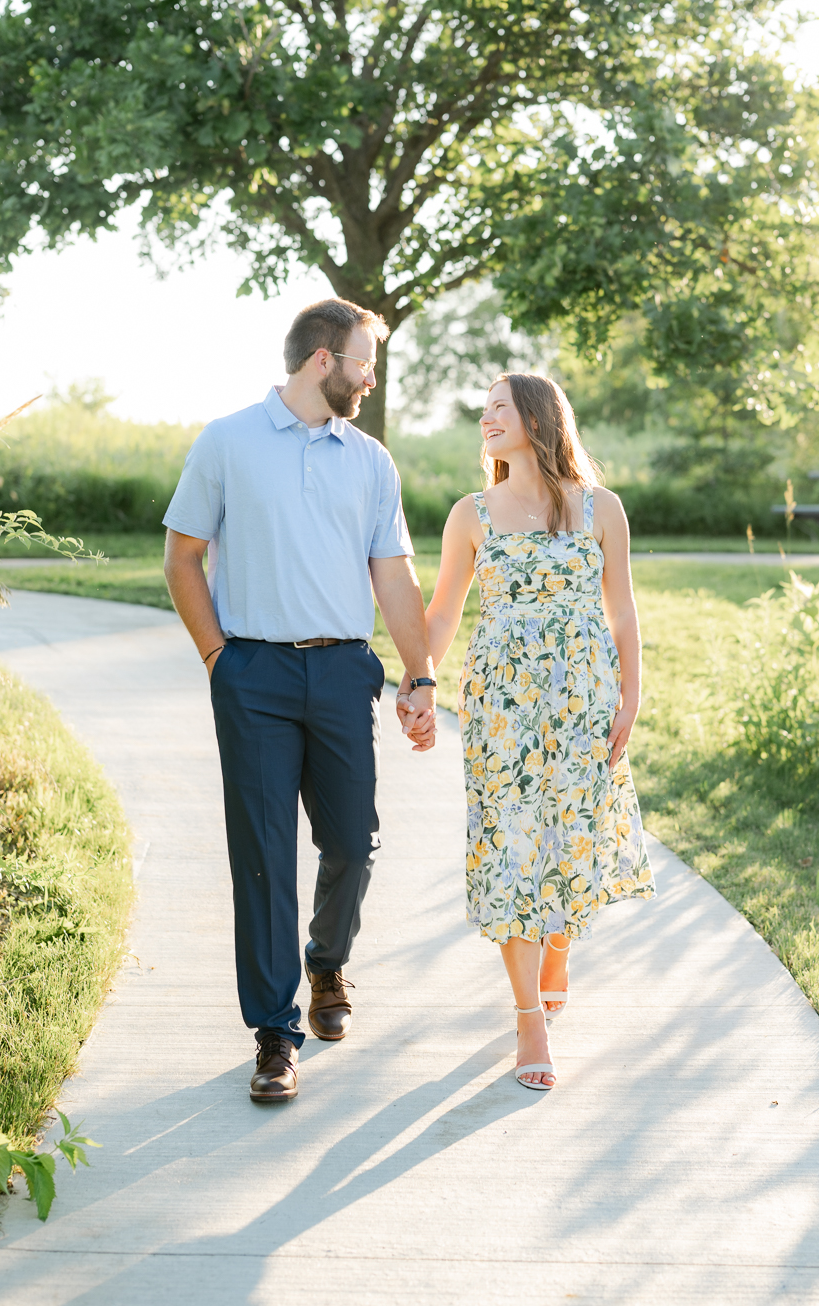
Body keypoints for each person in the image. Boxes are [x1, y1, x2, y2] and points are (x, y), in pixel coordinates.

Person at [164, 298, 437, 1106]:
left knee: (353, 843)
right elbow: (181, 560)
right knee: (263, 854)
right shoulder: (227, 442)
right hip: (254, 675)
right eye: (364, 360)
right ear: (325, 360)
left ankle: (326, 964)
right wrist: (219, 657)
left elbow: (393, 574)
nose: (370, 375)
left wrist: (418, 676)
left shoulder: (370, 460)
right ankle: (275, 1033)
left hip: (344, 673)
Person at [404, 373, 654, 1091]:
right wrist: (418, 678)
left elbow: (624, 612)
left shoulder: (599, 508)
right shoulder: (470, 513)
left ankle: (556, 943)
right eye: (481, 408)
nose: (484, 418)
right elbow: (445, 610)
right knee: (510, 846)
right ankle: (527, 1018)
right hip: (501, 709)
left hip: (581, 702)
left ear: (539, 419)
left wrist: (629, 695)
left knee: (569, 838)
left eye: (498, 407)